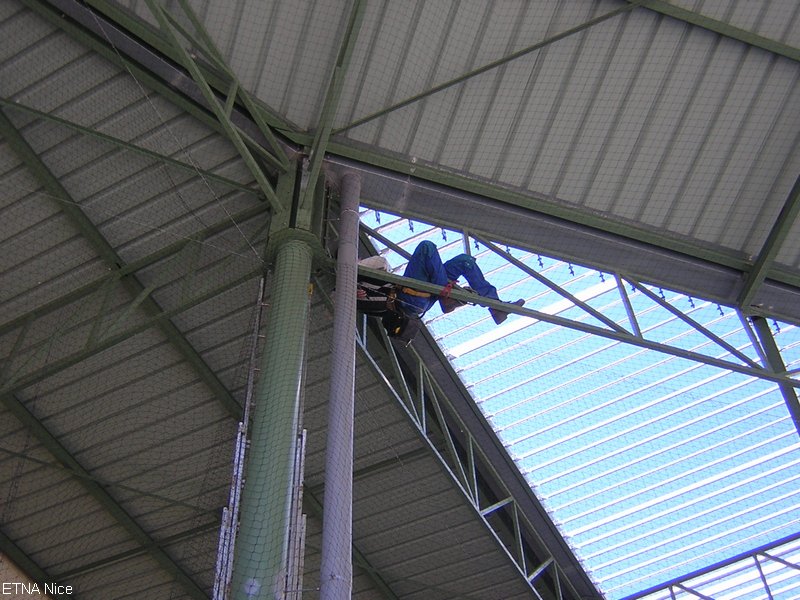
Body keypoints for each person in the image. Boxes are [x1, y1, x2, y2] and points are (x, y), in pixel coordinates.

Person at [395, 241, 524, 324]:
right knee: (426, 247)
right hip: (412, 300)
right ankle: (446, 296)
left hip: (421, 294)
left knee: (465, 261)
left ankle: (496, 306)